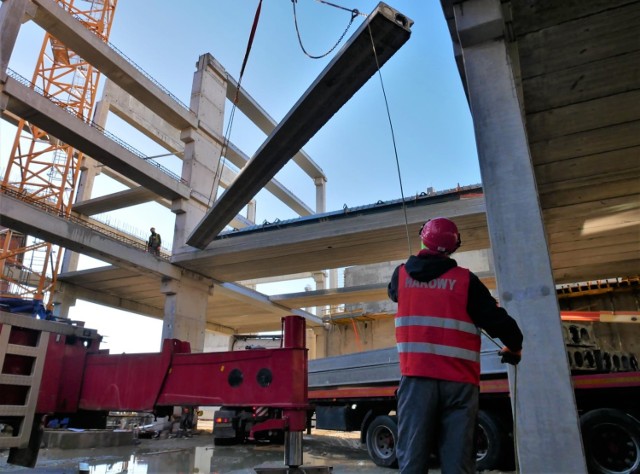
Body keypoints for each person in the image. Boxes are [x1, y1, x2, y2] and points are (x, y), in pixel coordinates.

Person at [388, 217, 523, 473]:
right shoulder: (466, 281)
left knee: (412, 456)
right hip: (459, 383)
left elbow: (394, 292)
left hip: (416, 381)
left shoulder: (401, 275)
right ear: (454, 246)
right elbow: (499, 321)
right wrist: (514, 347)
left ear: (422, 238)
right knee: (458, 458)